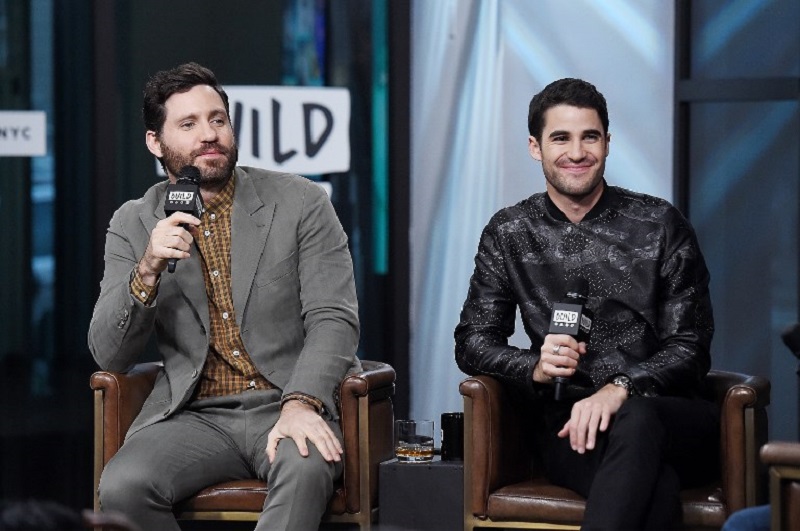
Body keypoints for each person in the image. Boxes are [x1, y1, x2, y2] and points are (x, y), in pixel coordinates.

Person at [88, 62, 360, 531]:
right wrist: (148, 268)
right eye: (189, 124)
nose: (209, 135)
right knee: (123, 487)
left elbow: (334, 318)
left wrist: (301, 402)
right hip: (197, 415)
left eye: (218, 119)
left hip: (288, 401)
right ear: (155, 142)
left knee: (304, 466)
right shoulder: (133, 223)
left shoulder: (300, 201)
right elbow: (108, 353)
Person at [454, 78, 719, 530]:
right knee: (653, 488)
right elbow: (472, 341)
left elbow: (691, 347)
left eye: (589, 137)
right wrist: (534, 366)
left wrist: (620, 387)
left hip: (671, 415)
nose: (577, 153)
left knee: (637, 418)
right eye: (561, 138)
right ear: (535, 147)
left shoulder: (659, 224)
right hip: (573, 427)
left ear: (608, 143)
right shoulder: (510, 231)